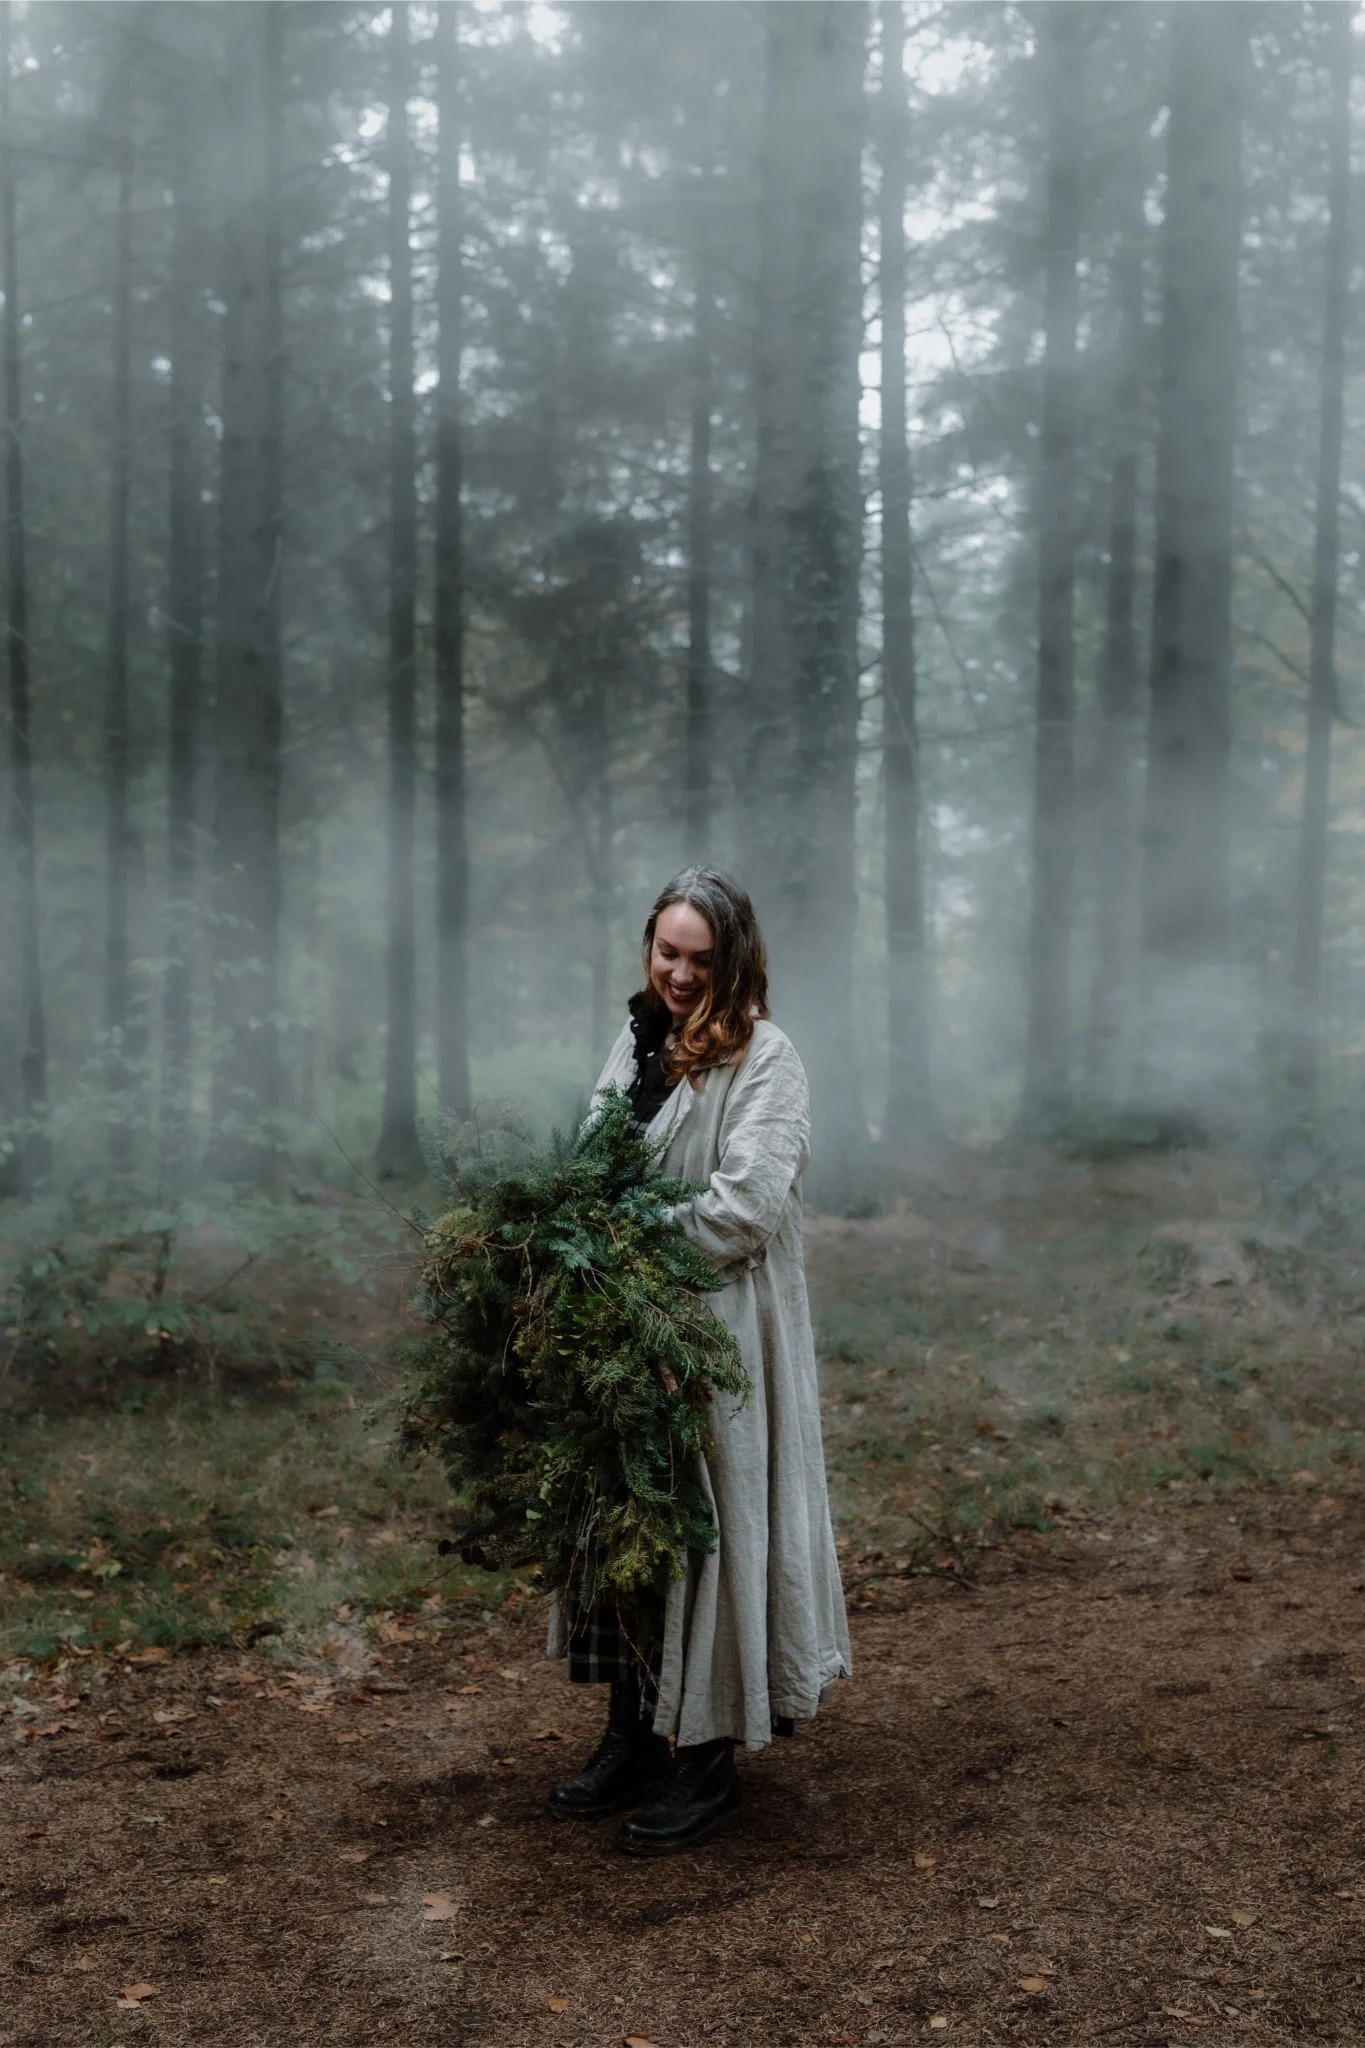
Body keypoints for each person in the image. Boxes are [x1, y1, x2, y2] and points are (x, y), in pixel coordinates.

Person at [547, 866, 852, 1855]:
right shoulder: (641, 1040)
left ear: (734, 960)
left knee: (708, 1535)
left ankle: (706, 1761)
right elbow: (594, 1156)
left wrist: (629, 1238)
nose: (679, 973)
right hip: (629, 1328)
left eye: (699, 958)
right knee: (628, 1524)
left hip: (719, 1332)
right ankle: (632, 1733)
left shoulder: (768, 1057)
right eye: (667, 951)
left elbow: (744, 1207)